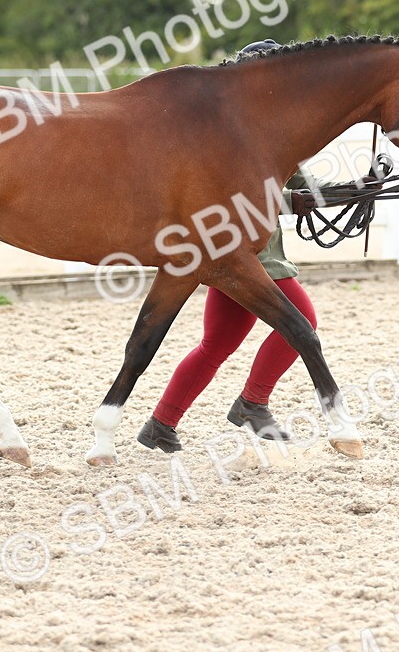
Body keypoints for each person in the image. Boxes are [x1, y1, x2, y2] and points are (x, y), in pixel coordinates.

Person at [137, 39, 323, 453]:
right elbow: (227, 194)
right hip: (249, 257)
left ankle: (160, 424)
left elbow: (308, 189)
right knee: (302, 325)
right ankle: (253, 402)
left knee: (215, 346)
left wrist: (364, 187)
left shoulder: (277, 134)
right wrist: (290, 201)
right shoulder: (227, 133)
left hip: (244, 257)